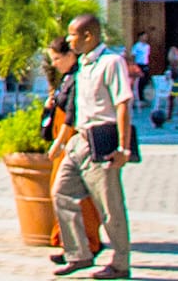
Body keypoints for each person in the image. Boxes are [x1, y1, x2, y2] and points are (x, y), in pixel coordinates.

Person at [50, 13, 134, 279]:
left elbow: (122, 104)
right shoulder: (83, 66)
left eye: (73, 34)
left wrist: (123, 147)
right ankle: (78, 255)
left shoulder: (111, 63)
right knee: (61, 192)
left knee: (109, 207)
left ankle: (121, 263)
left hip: (103, 140)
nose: (68, 39)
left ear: (89, 36)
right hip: (80, 140)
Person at [41, 37, 102, 255]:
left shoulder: (78, 77)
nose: (55, 63)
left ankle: (87, 242)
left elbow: (73, 114)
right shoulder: (67, 78)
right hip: (63, 137)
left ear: (70, 55)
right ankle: (69, 243)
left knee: (76, 194)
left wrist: (60, 142)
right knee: (60, 192)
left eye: (57, 58)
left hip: (72, 140)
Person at [129, 31, 153, 107]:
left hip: (145, 64)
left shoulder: (147, 46)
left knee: (145, 80)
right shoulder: (137, 46)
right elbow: (133, 55)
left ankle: (142, 95)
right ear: (140, 37)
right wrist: (134, 65)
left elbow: (147, 56)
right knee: (139, 81)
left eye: (146, 36)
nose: (145, 38)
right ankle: (139, 96)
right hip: (139, 65)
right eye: (144, 36)